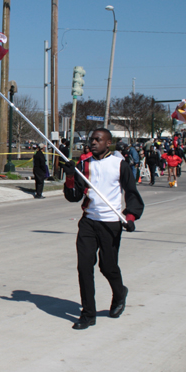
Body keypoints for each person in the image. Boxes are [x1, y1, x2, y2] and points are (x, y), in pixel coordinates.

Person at [62, 128, 144, 330]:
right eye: (92, 139)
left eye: (98, 139)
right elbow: (74, 196)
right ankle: (88, 313)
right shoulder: (84, 165)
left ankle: (119, 293)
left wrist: (130, 217)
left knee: (108, 267)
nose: (93, 142)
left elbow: (132, 193)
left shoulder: (119, 165)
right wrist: (70, 176)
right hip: (89, 222)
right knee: (84, 267)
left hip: (111, 223)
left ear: (108, 143)